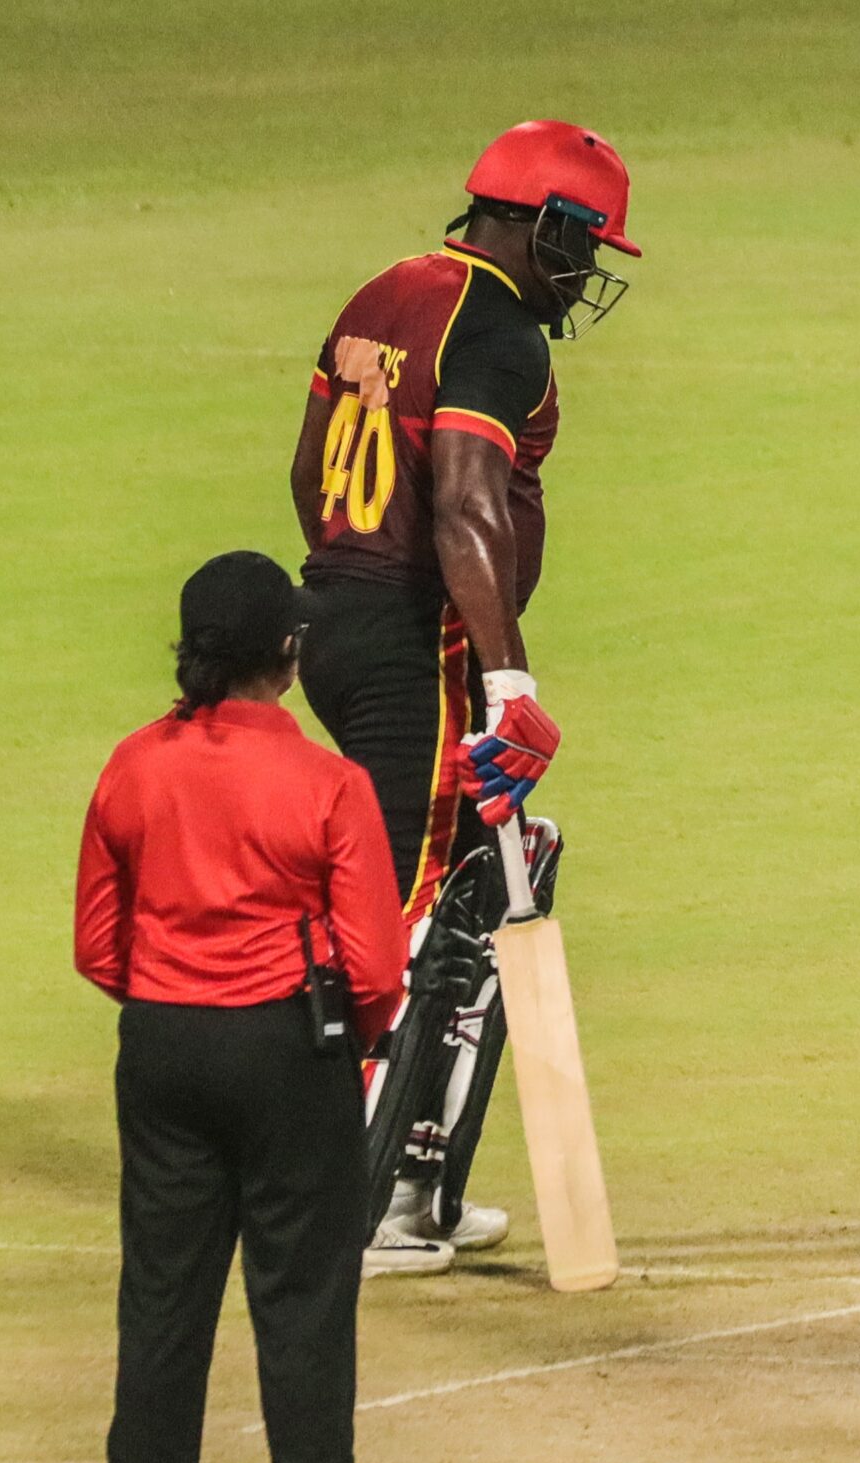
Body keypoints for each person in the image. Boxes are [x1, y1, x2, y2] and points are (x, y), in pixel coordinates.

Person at [287, 119, 640, 1276]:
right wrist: (504, 680)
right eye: (587, 247)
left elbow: (308, 469)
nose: (585, 275)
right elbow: (465, 505)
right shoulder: (496, 330)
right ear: (548, 226)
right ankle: (348, 1201)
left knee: (457, 887)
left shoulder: (383, 294)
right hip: (415, 647)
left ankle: (413, 1180)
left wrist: (347, 590)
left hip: (332, 617)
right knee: (409, 910)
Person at [74, 550, 441, 1463]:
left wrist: (173, 997)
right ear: (288, 651)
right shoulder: (329, 783)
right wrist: (333, 1039)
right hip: (288, 1051)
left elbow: (98, 942)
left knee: (162, 1303)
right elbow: (375, 966)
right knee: (304, 1312)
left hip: (161, 1046)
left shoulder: (132, 767)